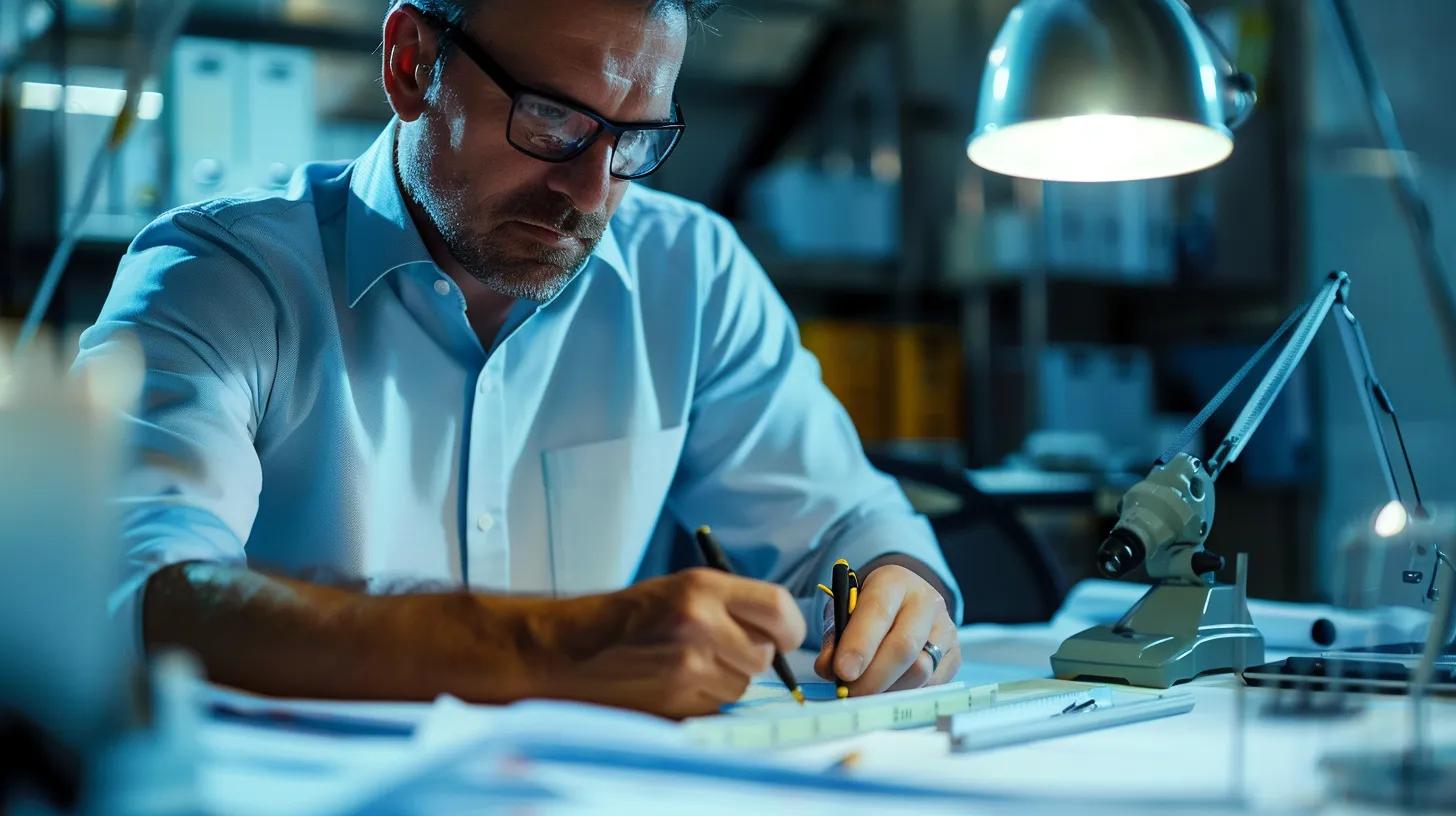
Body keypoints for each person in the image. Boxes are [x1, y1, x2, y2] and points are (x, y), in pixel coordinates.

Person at [75, 0, 963, 718]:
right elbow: (136, 596)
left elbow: (847, 530)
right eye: (553, 120)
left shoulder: (689, 273)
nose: (590, 190)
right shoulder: (219, 278)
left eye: (636, 141)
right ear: (411, 63)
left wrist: (898, 589)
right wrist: (551, 646)